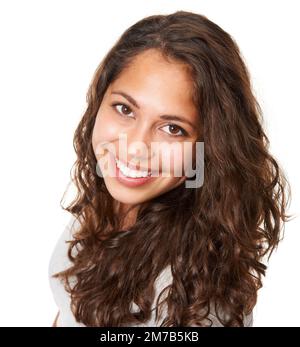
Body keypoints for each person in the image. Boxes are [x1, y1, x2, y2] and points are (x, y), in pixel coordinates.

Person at [49, 10, 290, 327]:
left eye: (173, 129)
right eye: (124, 109)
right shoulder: (113, 198)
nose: (135, 147)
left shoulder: (190, 290)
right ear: (99, 101)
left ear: (210, 148)